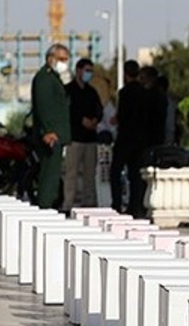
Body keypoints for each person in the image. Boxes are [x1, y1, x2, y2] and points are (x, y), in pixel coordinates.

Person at [30, 44, 72, 210]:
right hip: (51, 135)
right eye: (61, 59)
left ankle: (49, 205)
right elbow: (43, 106)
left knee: (53, 174)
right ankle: (45, 206)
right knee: (49, 174)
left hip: (56, 134)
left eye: (66, 60)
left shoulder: (53, 78)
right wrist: (48, 131)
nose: (64, 63)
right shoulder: (45, 79)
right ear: (50, 58)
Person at [62, 58, 102, 211]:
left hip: (90, 139)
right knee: (71, 173)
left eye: (91, 71)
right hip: (74, 138)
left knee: (89, 174)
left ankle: (89, 203)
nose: (89, 74)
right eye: (87, 70)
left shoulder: (92, 92)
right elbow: (67, 111)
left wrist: (94, 120)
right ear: (78, 70)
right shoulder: (68, 90)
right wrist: (81, 120)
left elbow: (99, 110)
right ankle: (68, 203)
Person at [110, 61, 149, 217]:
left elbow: (123, 115)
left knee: (115, 171)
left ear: (125, 74)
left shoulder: (125, 93)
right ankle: (136, 207)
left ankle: (117, 204)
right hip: (140, 139)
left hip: (126, 137)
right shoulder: (144, 93)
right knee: (135, 175)